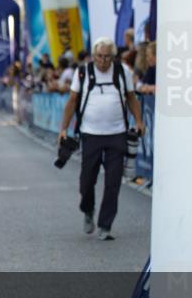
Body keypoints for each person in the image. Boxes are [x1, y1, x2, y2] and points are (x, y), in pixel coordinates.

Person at [58, 38, 145, 240]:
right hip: (90, 134)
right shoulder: (83, 72)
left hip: (117, 134)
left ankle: (105, 225)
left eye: (107, 57)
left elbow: (132, 98)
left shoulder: (123, 71)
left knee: (113, 182)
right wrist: (64, 128)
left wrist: (139, 121)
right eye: (99, 56)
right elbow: (72, 101)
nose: (103, 61)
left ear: (113, 57)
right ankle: (88, 209)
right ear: (94, 55)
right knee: (86, 181)